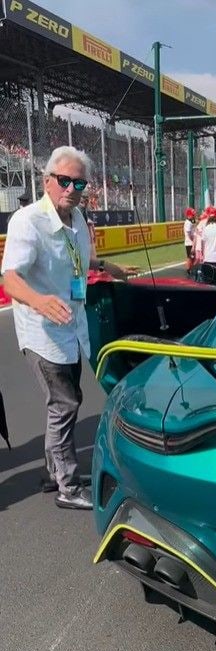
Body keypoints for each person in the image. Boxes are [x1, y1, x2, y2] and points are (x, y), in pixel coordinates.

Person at [1, 146, 139, 510]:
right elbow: (10, 278)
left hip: (72, 326)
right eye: (65, 180)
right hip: (42, 331)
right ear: (47, 180)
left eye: (80, 183)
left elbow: (76, 259)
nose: (72, 188)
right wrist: (39, 301)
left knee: (63, 401)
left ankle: (53, 470)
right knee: (65, 404)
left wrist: (106, 264)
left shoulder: (76, 219)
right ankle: (67, 485)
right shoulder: (28, 221)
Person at [183, 207, 196, 274]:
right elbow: (188, 234)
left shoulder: (191, 221)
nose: (194, 216)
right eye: (192, 215)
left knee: (192, 257)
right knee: (190, 257)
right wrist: (193, 240)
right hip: (190, 243)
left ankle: (190, 269)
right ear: (189, 215)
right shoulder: (188, 223)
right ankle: (188, 270)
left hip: (191, 242)